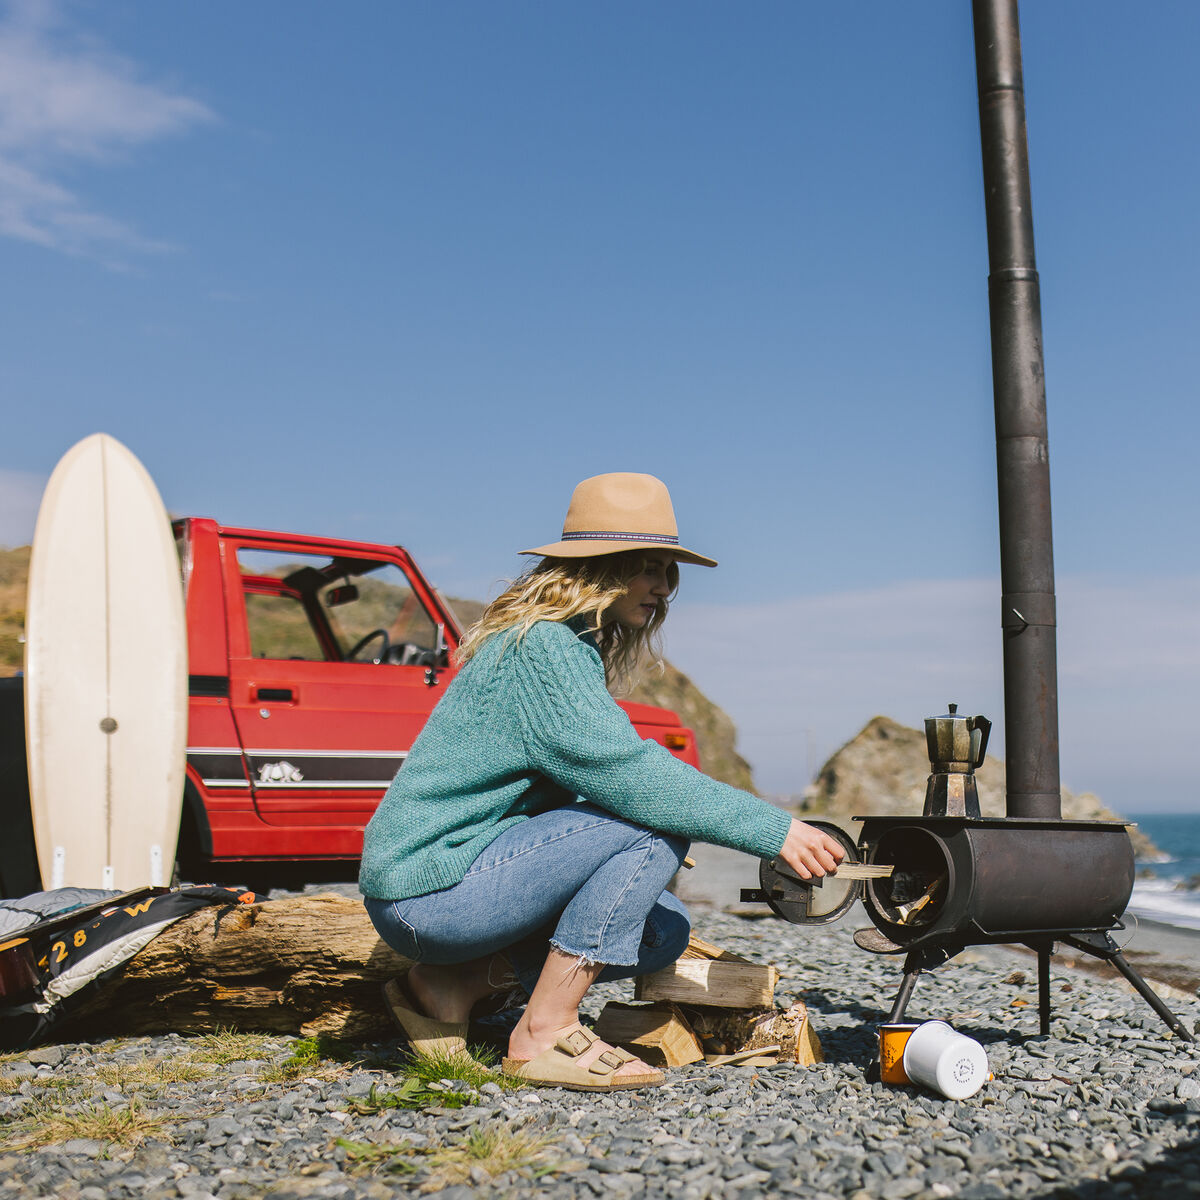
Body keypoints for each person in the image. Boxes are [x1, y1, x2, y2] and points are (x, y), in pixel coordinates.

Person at [360, 472, 845, 1091]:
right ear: (599, 569)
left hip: (450, 887)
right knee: (651, 828)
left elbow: (587, 778)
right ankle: (544, 1033)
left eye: (670, 571)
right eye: (646, 567)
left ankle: (447, 984)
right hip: (432, 888)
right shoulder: (544, 650)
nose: (663, 587)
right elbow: (631, 775)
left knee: (660, 931)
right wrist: (775, 830)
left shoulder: (562, 644)